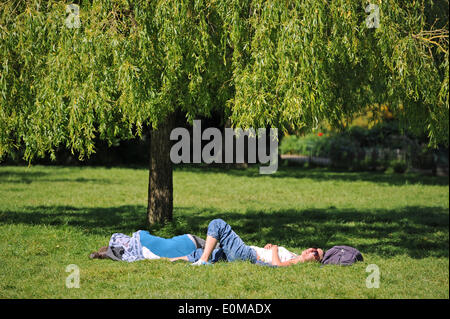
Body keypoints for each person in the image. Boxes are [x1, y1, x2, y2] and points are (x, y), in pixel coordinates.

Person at [170, 218, 324, 267]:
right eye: (313, 248)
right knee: (209, 253)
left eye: (315, 253)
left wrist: (275, 250)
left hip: (247, 255)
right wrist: (269, 248)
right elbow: (271, 259)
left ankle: (203, 261)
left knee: (218, 224)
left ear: (314, 260)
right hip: (247, 255)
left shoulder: (299, 262)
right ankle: (171, 260)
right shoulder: (295, 256)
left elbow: (277, 266)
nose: (311, 250)